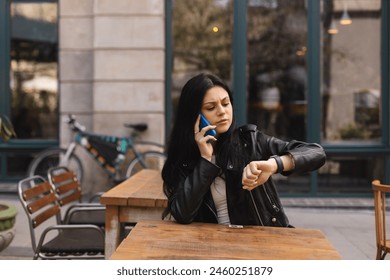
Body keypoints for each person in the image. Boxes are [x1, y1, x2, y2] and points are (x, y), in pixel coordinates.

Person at [161, 73, 326, 227]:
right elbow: (182, 214)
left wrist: (275, 164)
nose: (222, 112)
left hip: (262, 244)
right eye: (211, 108)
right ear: (193, 116)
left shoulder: (250, 141)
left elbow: (316, 153)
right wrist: (205, 159)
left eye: (226, 103)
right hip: (212, 247)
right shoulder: (183, 160)